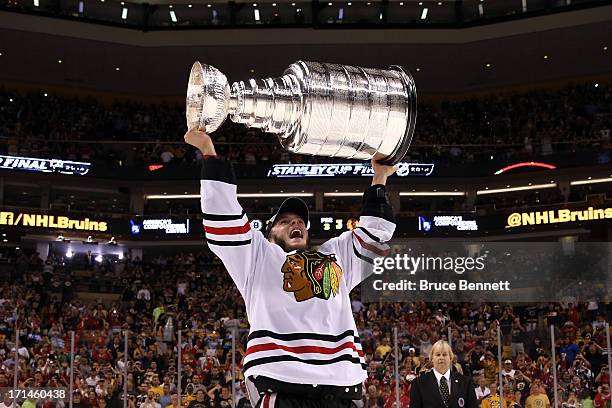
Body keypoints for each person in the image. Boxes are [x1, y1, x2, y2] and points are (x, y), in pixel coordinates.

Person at [185, 128, 397, 407]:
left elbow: (374, 234)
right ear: (271, 232)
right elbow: (224, 218)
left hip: (339, 387)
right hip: (281, 385)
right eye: (285, 221)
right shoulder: (258, 257)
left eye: (300, 221)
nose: (295, 224)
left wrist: (379, 177)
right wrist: (209, 153)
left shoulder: (333, 257)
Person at [409, 340, 478, 408]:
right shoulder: (418, 383)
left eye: (444, 354)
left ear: (450, 358)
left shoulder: (466, 382)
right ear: (432, 358)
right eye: (438, 355)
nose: (441, 358)